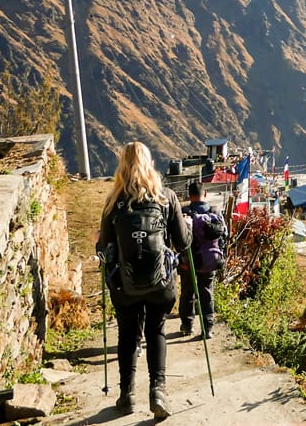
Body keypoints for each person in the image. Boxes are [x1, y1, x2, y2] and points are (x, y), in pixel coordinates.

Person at [97, 142, 191, 419]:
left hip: (124, 286)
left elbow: (103, 248)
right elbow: (183, 242)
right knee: (156, 331)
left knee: (127, 334)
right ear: (149, 163)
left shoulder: (113, 202)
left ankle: (126, 397)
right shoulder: (166, 197)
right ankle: (158, 392)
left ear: (121, 166)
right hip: (160, 283)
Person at [178, 181, 227, 337]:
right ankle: (208, 328)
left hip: (190, 261)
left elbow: (179, 238)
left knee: (187, 293)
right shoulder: (215, 212)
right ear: (204, 194)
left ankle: (187, 325)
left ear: (189, 196)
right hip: (210, 260)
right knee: (207, 293)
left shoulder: (184, 212)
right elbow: (224, 236)